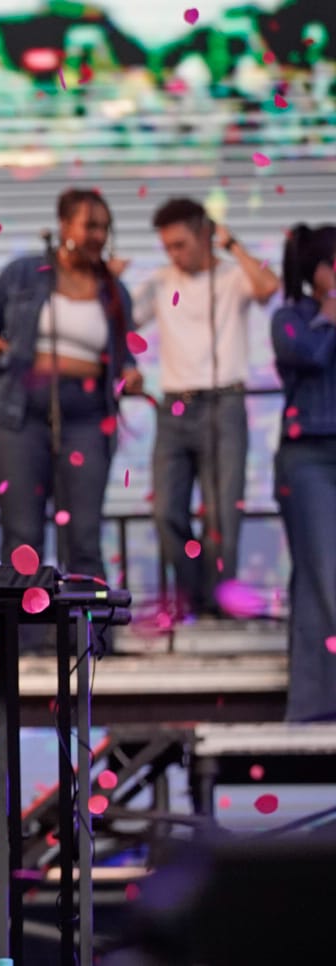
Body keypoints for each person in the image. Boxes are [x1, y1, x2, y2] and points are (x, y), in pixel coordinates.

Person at [0, 187, 143, 580]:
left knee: (83, 534)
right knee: (23, 535)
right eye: (90, 226)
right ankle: (25, 638)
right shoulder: (24, 273)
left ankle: (89, 638)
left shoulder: (115, 292)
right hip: (19, 415)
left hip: (87, 420)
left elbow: (124, 354)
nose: (98, 236)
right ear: (64, 225)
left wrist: (130, 374)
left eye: (104, 228)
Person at [131, 198, 279, 618]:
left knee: (221, 513)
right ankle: (195, 598)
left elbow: (269, 287)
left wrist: (231, 245)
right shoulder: (160, 282)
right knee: (166, 512)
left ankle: (218, 605)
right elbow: (120, 323)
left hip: (224, 401)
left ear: (204, 234)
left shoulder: (233, 278)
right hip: (175, 405)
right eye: (167, 247)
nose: (174, 255)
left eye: (180, 244)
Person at [271, 223, 336, 721]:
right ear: (318, 269)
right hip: (308, 457)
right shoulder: (291, 319)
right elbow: (308, 358)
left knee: (314, 587)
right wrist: (330, 316)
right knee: (324, 576)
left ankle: (312, 708)